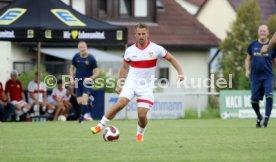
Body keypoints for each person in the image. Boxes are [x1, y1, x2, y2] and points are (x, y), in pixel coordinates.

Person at [90, 23, 184, 142]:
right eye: (139, 34)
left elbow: (171, 58)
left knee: (142, 115)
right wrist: (120, 84)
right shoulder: (130, 50)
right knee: (121, 103)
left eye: (143, 34)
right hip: (131, 82)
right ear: (135, 35)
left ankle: (140, 133)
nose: (141, 36)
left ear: (147, 34)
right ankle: (99, 126)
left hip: (146, 87)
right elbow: (124, 67)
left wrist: (180, 72)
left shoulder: (156, 49)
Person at [245, 24, 276, 128]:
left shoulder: (272, 45)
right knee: (254, 100)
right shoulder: (252, 45)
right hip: (256, 77)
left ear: (268, 33)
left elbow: (275, 61)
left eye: (264, 31)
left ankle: (266, 121)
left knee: (269, 96)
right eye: (261, 31)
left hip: (268, 76)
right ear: (258, 33)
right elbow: (248, 59)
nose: (262, 32)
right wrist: (247, 70)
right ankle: (259, 116)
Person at [69, 41, 100, 123]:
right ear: (78, 48)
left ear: (86, 48)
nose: (82, 49)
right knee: (79, 101)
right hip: (78, 81)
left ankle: (81, 118)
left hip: (87, 82)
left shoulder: (91, 58)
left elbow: (97, 72)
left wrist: (90, 78)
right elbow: (71, 68)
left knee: (84, 100)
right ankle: (90, 100)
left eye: (83, 47)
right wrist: (72, 79)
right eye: (80, 47)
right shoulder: (76, 56)